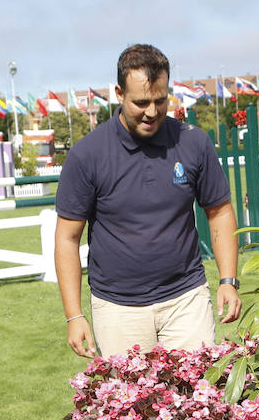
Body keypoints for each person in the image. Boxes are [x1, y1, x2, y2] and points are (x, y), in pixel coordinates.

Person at [54, 44, 241, 358]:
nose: (152, 112)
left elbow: (219, 211)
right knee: (130, 406)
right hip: (117, 308)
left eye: (160, 100)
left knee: (198, 400)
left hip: (186, 300)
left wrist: (228, 280)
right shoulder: (88, 154)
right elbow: (67, 237)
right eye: (141, 102)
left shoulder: (194, 142)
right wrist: (74, 315)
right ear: (119, 93)